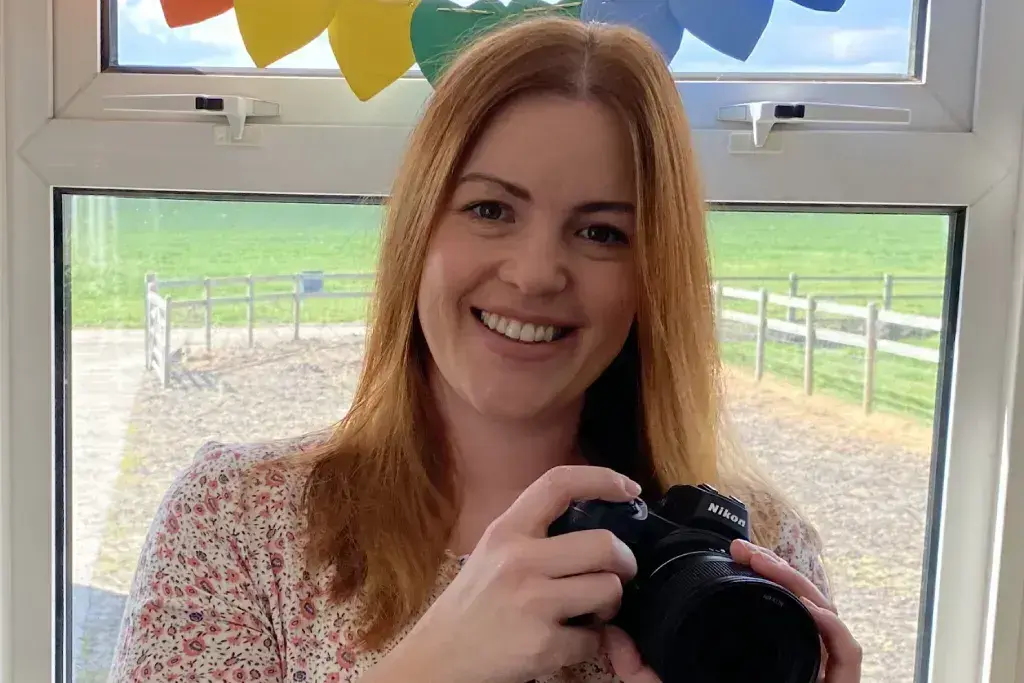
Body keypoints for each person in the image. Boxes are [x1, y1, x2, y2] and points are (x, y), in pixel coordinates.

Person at [108, 15, 862, 683]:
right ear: (418, 235)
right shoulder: (237, 525)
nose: (535, 274)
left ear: (654, 273)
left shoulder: (751, 557)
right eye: (489, 208)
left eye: (602, 231)